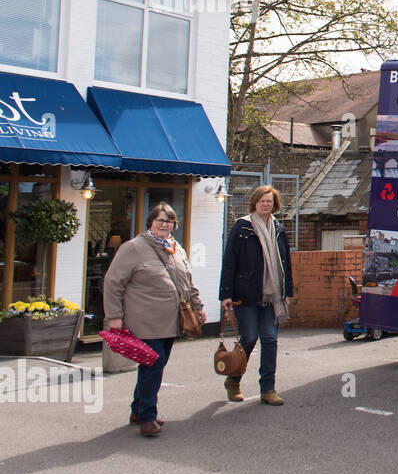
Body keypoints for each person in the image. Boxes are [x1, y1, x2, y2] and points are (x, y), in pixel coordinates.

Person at [103, 203, 205, 437]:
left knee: (154, 364)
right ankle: (147, 417)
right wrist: (114, 317)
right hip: (144, 320)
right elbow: (112, 282)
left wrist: (197, 306)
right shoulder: (134, 248)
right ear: (150, 222)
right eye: (159, 220)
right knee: (154, 363)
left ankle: (138, 410)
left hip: (170, 321)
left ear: (174, 225)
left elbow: (187, 282)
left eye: (168, 221)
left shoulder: (176, 248)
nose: (163, 225)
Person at [219, 185, 294, 406]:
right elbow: (230, 261)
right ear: (255, 202)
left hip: (273, 297)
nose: (265, 204)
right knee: (249, 339)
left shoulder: (279, 228)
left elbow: (286, 263)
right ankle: (233, 380)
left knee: (270, 340)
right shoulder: (243, 226)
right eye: (262, 200)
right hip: (247, 295)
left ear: (274, 204)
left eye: (269, 201)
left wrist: (287, 291)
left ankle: (268, 388)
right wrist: (226, 294)